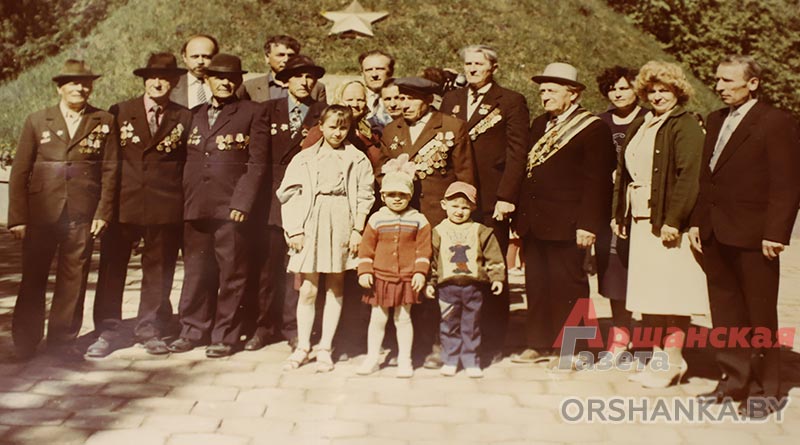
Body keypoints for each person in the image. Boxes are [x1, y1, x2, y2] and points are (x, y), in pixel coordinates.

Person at [690, 55, 800, 418]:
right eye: (717, 80)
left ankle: (766, 391)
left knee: (759, 314)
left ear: (752, 84)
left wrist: (776, 232)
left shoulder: (775, 122)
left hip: (755, 237)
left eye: (727, 80)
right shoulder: (715, 119)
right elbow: (707, 179)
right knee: (725, 312)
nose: (719, 87)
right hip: (715, 232)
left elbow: (787, 183)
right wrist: (697, 222)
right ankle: (734, 380)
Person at [8, 59, 117, 359]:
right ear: (60, 88)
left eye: (85, 83)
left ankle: (62, 341)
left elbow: (111, 171)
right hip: (42, 213)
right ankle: (25, 342)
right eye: (72, 83)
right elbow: (20, 171)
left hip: (82, 213)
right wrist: (17, 218)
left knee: (74, 278)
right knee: (33, 277)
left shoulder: (104, 121)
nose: (79, 88)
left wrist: (103, 212)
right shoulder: (37, 120)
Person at [87, 53, 192, 357]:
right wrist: (104, 207)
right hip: (124, 204)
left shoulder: (184, 116)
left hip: (164, 206)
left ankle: (150, 329)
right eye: (152, 78)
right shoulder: (120, 111)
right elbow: (109, 161)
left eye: (165, 78)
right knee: (112, 270)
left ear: (175, 82)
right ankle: (107, 331)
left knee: (158, 272)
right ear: (144, 81)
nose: (157, 83)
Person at [611, 61, 708, 388]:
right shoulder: (644, 122)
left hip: (666, 224)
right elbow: (625, 174)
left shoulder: (685, 125)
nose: (657, 96)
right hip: (641, 221)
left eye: (664, 90)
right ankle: (657, 359)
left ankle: (674, 360)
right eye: (651, 91)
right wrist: (619, 214)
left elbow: (689, 177)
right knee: (649, 295)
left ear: (677, 91)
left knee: (672, 295)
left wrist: (674, 220)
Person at [512, 62, 616, 365]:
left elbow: (597, 182)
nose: (544, 96)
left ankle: (574, 349)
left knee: (569, 286)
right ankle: (539, 343)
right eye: (542, 91)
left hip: (569, 223)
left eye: (552, 90)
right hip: (535, 221)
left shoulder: (593, 128)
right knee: (537, 285)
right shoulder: (539, 124)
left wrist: (588, 224)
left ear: (572, 93)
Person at [169, 54, 268, 358]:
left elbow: (257, 163)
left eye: (231, 78)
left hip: (231, 208)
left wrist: (243, 202)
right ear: (207, 80)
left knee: (232, 274)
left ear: (239, 81)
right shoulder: (194, 114)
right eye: (218, 77)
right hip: (196, 205)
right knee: (196, 271)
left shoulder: (252, 112)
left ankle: (225, 335)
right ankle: (192, 329)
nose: (225, 82)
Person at [378, 76, 476, 369]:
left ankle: (438, 343)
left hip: (438, 216)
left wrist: (460, 218)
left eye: (411, 99)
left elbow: (465, 176)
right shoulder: (392, 129)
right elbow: (380, 170)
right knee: (405, 278)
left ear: (428, 100)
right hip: (402, 216)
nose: (404, 104)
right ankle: (405, 345)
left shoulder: (451, 127)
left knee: (437, 280)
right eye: (401, 98)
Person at [441, 44, 530, 364]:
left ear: (493, 67)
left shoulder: (511, 101)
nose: (472, 69)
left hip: (493, 199)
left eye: (479, 64)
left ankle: (491, 342)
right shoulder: (451, 100)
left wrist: (507, 197)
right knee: (455, 268)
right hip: (457, 200)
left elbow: (518, 153)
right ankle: (455, 341)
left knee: (492, 268)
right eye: (468, 64)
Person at [277, 105, 376, 372]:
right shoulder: (305, 158)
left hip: (342, 219)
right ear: (321, 126)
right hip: (312, 220)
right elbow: (289, 194)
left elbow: (365, 194)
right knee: (308, 288)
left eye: (343, 128)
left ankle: (325, 347)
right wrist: (295, 229)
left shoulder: (357, 159)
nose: (337, 133)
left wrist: (357, 230)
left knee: (335, 285)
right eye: (332, 127)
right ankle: (302, 346)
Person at [242, 55, 328, 352]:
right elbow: (258, 158)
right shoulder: (267, 110)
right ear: (285, 80)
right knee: (267, 269)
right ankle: (263, 326)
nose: (305, 82)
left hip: (305, 202)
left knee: (297, 270)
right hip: (271, 202)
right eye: (298, 76)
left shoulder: (322, 113)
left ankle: (293, 327)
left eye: (310, 77)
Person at [356, 154, 432, 378]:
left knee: (403, 318)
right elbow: (366, 248)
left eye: (402, 195)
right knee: (378, 318)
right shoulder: (376, 219)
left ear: (410, 196)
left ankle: (405, 359)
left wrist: (420, 272)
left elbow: (424, 249)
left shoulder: (419, 220)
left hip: (406, 277)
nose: (397, 199)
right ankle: (372, 357)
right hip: (381, 277)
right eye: (391, 195)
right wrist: (364, 270)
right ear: (383, 196)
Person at [594, 66, 648, 358]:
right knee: (614, 272)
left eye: (624, 88)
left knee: (646, 271)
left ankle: (648, 335)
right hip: (608, 209)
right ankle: (620, 334)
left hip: (641, 207)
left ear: (636, 90)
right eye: (612, 89)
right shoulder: (600, 122)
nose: (617, 93)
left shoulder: (649, 119)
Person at [426, 181, 505, 377]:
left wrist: (497, 277)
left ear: (473, 208)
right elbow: (432, 260)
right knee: (448, 324)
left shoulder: (480, 231)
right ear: (444, 205)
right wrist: (430, 282)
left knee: (471, 325)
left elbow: (493, 256)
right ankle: (450, 359)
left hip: (472, 288)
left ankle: (471, 360)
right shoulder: (438, 231)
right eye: (454, 206)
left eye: (465, 207)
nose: (459, 211)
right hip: (447, 288)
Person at [238, 35, 326, 103]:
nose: (286, 60)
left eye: (291, 55)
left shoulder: (316, 88)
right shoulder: (249, 87)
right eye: (280, 55)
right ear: (267, 58)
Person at [169, 34, 218, 109]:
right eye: (195, 57)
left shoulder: (230, 86)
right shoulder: (171, 86)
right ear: (184, 57)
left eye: (206, 57)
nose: (200, 61)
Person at [359, 50, 395, 131]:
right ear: (362, 73)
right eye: (369, 70)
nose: (374, 75)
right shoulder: (353, 98)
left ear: (391, 72)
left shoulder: (402, 98)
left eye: (380, 69)